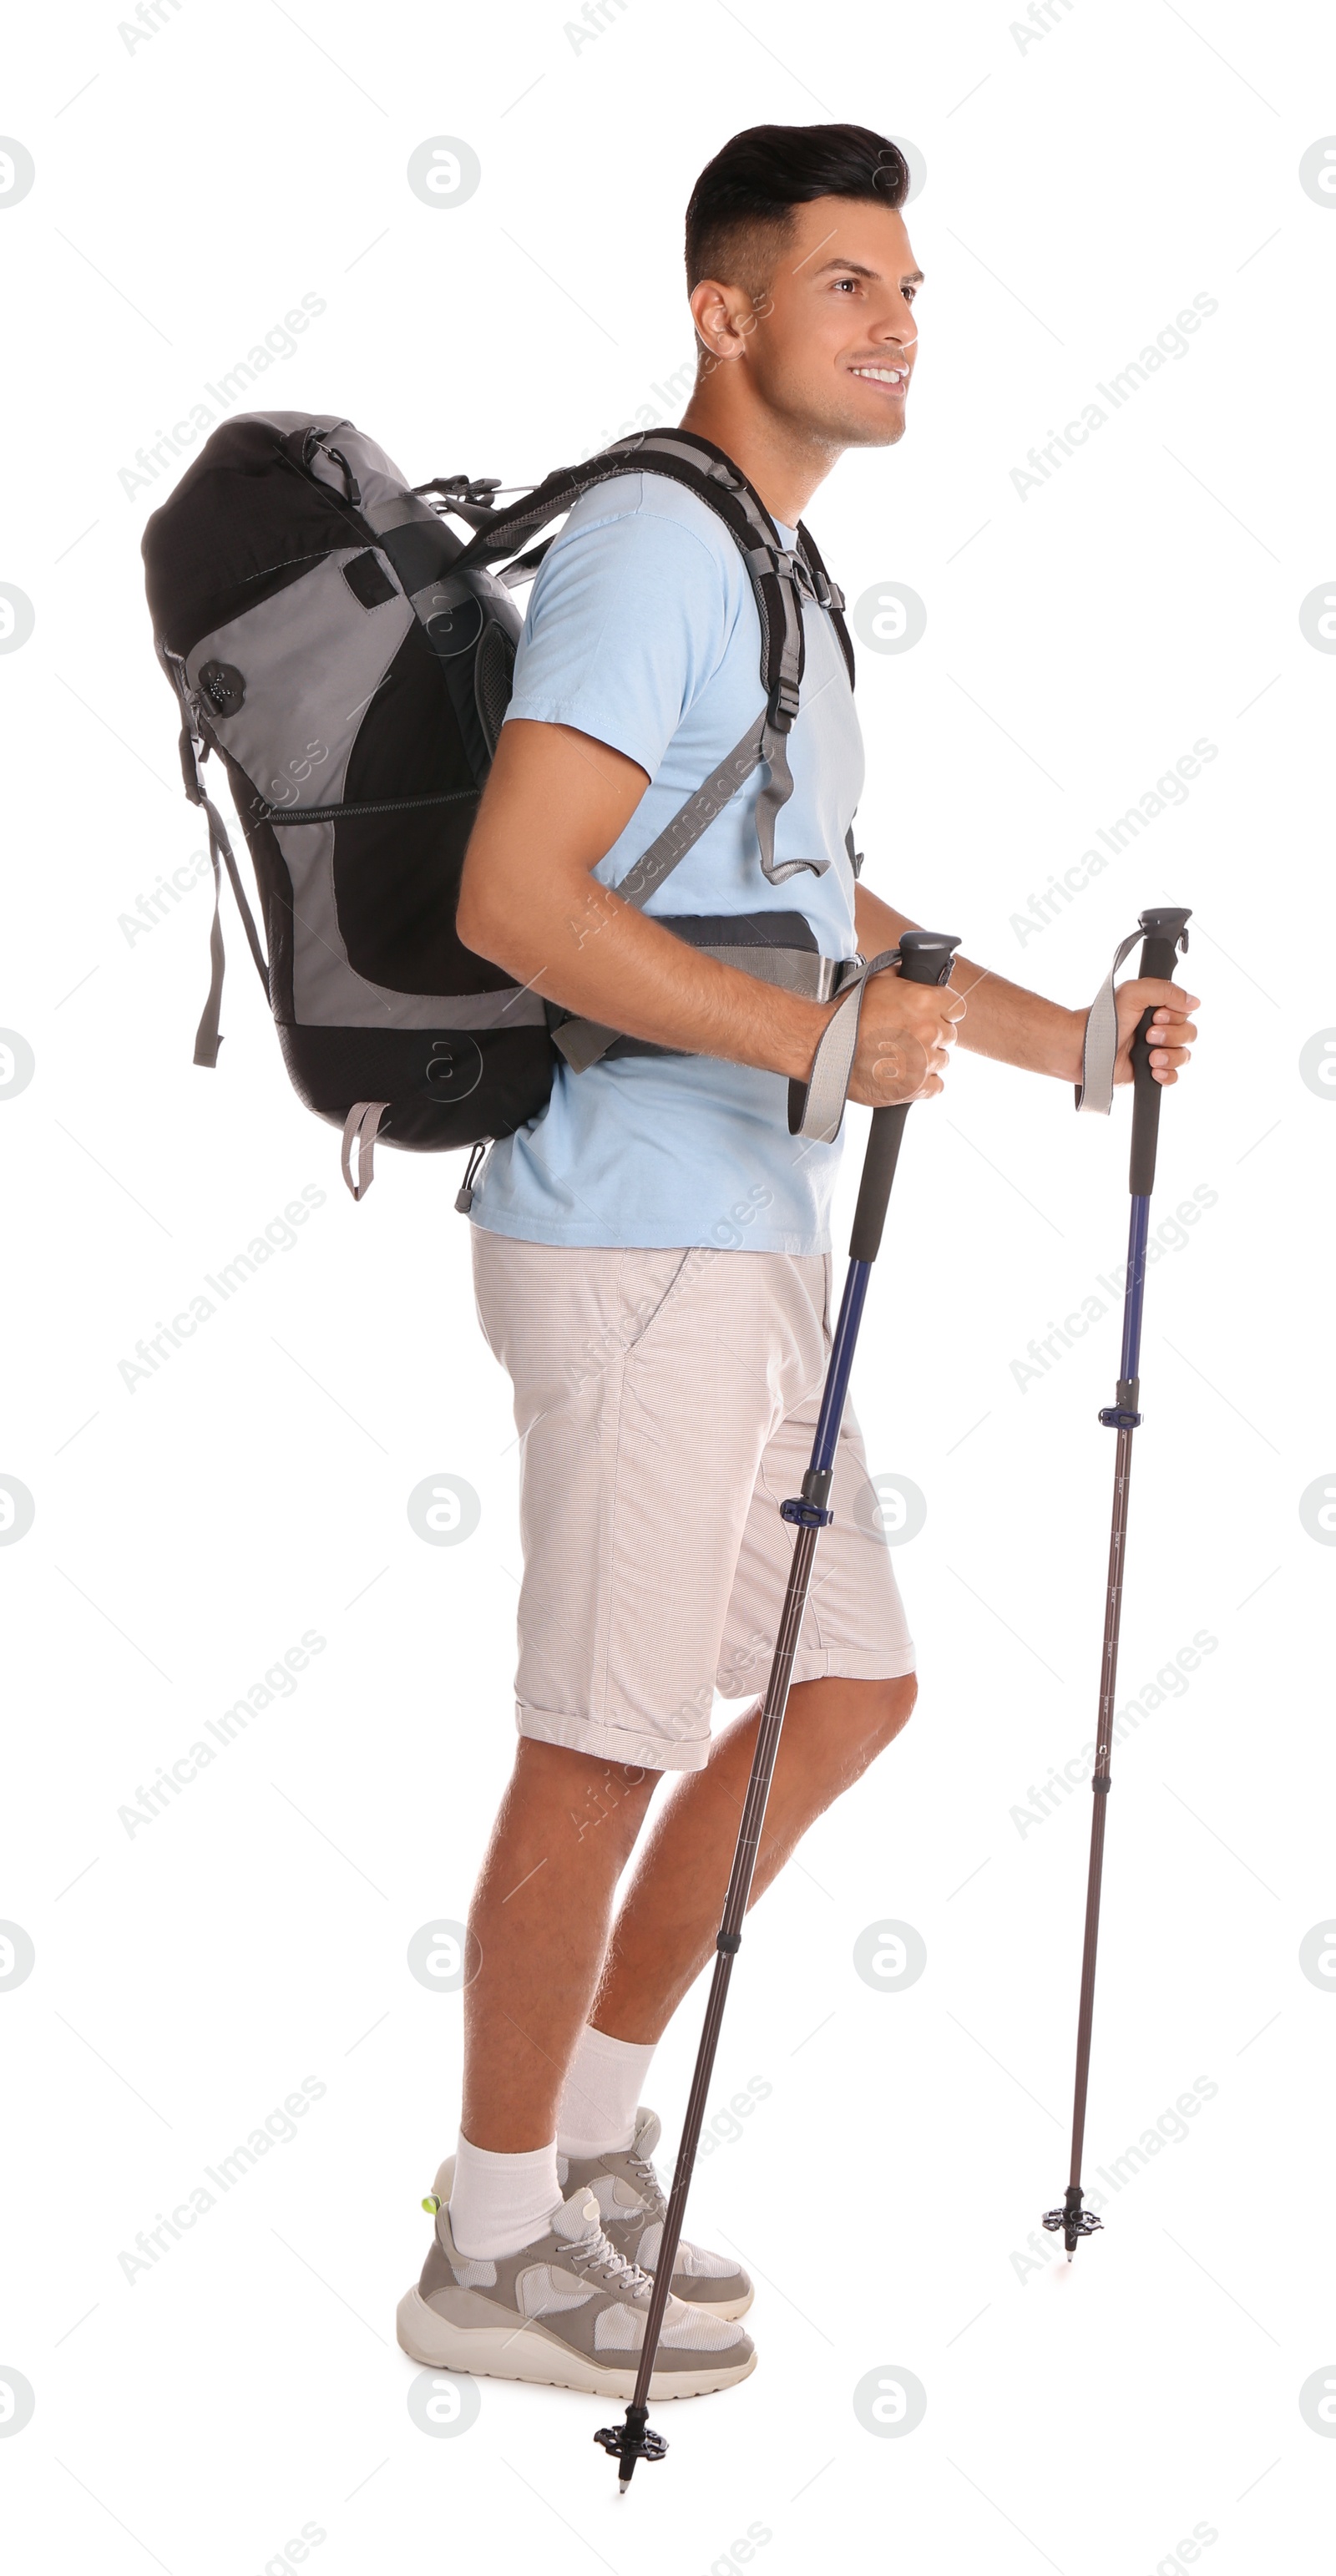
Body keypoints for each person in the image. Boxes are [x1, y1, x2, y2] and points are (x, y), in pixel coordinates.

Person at [395, 121, 1199, 2401]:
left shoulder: (773, 571)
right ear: (723, 313)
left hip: (733, 1237)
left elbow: (802, 888)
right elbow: (518, 901)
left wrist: (1064, 1047)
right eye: (850, 286)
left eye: (914, 289)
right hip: (629, 1242)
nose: (900, 323)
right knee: (602, 1742)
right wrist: (817, 1042)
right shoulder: (662, 544)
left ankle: (581, 2143)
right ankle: (487, 2243)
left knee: (842, 1687)